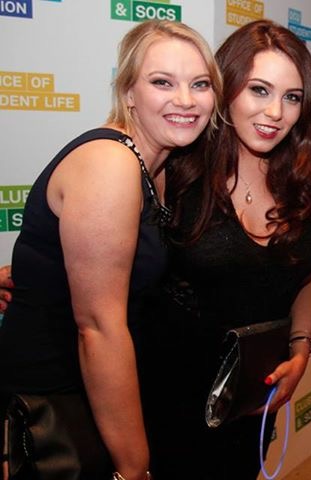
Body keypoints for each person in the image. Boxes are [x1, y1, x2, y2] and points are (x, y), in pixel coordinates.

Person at [0, 20, 221, 480]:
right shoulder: (110, 162)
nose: (186, 99)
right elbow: (98, 329)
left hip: (92, 394)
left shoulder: (159, 165)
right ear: (128, 93)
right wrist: (133, 468)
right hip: (54, 403)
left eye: (200, 84)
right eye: (162, 82)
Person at [139, 19, 311, 479]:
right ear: (225, 88)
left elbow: (303, 278)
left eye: (292, 97)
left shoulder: (302, 183)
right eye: (259, 90)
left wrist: (299, 350)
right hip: (164, 402)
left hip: (247, 404)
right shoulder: (175, 172)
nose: (276, 112)